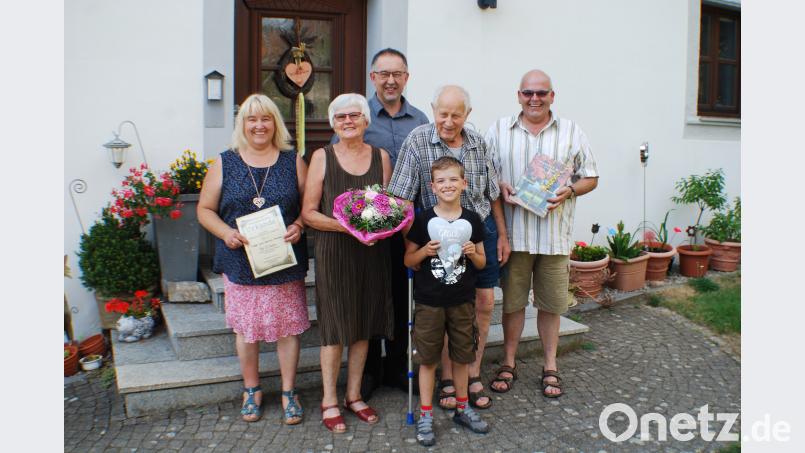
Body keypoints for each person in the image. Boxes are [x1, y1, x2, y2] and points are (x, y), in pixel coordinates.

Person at [388, 85, 511, 411]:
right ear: (433, 110)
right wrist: (411, 249)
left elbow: (492, 194)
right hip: (436, 235)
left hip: (477, 230)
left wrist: (501, 234)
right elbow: (400, 198)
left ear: (467, 115)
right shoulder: (417, 140)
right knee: (444, 304)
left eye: (457, 114)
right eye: (443, 113)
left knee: (483, 302)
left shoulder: (477, 142)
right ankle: (446, 377)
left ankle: (471, 373)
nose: (449, 120)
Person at [486, 69, 599, 398]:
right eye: (528, 93)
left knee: (551, 306)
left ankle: (550, 366)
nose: (534, 98)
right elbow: (484, 174)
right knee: (513, 305)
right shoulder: (498, 130)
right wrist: (499, 185)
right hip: (515, 237)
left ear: (552, 96)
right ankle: (508, 362)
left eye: (541, 93)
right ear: (518, 95)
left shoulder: (571, 131)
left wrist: (570, 192)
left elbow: (590, 177)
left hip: (553, 238)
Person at [197, 93, 309, 424]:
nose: (259, 125)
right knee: (247, 332)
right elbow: (204, 210)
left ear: (275, 123)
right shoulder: (225, 162)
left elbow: (308, 206)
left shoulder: (293, 161)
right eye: (252, 119)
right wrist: (225, 232)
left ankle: (289, 391)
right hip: (239, 262)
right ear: (242, 124)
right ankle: (252, 390)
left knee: (288, 330)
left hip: (283, 261)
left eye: (265, 118)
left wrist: (300, 225)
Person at [331, 48, 429, 397]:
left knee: (402, 295)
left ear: (406, 77)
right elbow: (336, 167)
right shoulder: (356, 116)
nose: (390, 80)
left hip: (408, 227)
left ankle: (398, 366)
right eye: (383, 74)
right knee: (370, 296)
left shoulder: (420, 120)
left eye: (397, 74)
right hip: (366, 228)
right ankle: (369, 369)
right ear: (373, 77)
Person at [302, 93, 394, 433]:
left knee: (363, 324)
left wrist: (381, 226)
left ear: (366, 121)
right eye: (340, 117)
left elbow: (387, 207)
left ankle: (354, 395)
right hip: (335, 252)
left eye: (354, 115)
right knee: (335, 328)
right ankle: (329, 399)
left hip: (371, 253)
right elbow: (308, 213)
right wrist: (348, 226)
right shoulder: (322, 157)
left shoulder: (381, 157)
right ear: (332, 124)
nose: (348, 121)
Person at [405, 156, 490, 446]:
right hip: (429, 301)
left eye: (454, 179)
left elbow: (481, 262)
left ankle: (463, 408)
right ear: (432, 186)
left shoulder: (472, 220)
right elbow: (409, 259)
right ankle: (426, 414)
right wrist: (424, 253)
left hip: (462, 300)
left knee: (462, 357)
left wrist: (472, 252)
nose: (448, 185)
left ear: (464, 184)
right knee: (428, 359)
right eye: (441, 181)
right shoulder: (424, 219)